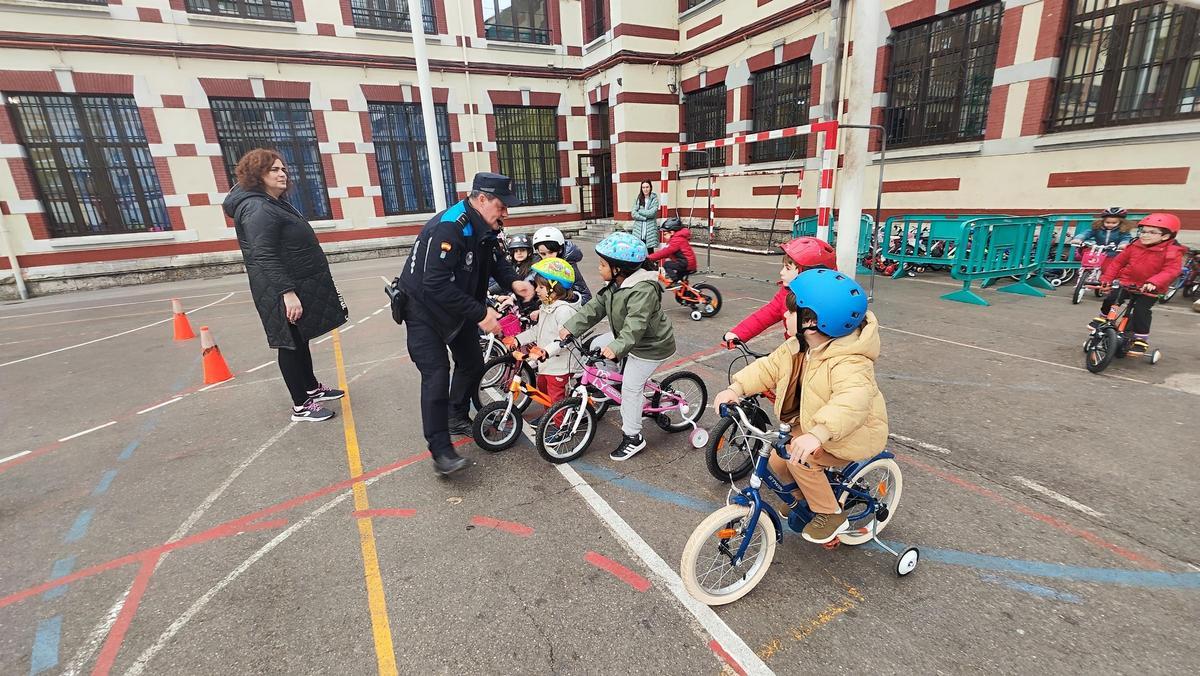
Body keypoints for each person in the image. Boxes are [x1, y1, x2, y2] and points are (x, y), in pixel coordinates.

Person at [712, 269, 888, 544]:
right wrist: (736, 388)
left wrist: (818, 434)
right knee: (776, 460)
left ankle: (829, 513)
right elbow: (767, 368)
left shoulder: (851, 362)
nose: (784, 316)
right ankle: (804, 501)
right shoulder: (797, 346)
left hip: (847, 434)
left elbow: (851, 402)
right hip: (808, 427)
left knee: (801, 459)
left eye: (791, 313)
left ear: (814, 322)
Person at [399, 172, 535, 476]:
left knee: (472, 363)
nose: (505, 213)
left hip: (457, 308)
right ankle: (441, 450)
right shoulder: (451, 227)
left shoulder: (486, 225)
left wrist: (514, 282)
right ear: (482, 199)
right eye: (501, 206)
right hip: (424, 310)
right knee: (435, 375)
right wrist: (481, 314)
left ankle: (456, 415)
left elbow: (496, 260)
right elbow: (434, 284)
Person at [225, 149, 347, 423]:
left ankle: (311, 388)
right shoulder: (257, 207)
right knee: (289, 343)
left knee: (299, 337)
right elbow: (263, 254)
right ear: (257, 175)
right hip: (279, 288)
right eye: (274, 170)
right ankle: (301, 406)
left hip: (294, 281)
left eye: (283, 169)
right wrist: (287, 293)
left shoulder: (273, 202)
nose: (282, 174)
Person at [561, 232, 676, 461]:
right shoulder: (616, 283)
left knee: (631, 389)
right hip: (628, 341)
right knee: (595, 344)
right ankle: (612, 379)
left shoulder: (643, 290)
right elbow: (595, 307)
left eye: (603, 264)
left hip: (650, 347)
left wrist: (617, 346)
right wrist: (571, 326)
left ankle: (633, 438)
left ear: (619, 268)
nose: (599, 269)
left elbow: (636, 324)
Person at [1094, 212, 1184, 356]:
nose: (1145, 235)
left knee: (1141, 310)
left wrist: (1153, 282)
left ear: (1166, 236)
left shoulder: (1172, 251)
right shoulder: (1134, 246)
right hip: (1128, 282)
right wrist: (1107, 278)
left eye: (1152, 232)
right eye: (1143, 231)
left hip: (1150, 288)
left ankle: (1140, 339)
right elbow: (1118, 262)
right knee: (1112, 298)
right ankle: (1103, 318)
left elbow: (1171, 270)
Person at [722, 237, 838, 346]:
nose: (781, 272)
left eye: (787, 268)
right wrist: (738, 334)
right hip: (794, 350)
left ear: (807, 273)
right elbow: (765, 315)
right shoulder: (786, 293)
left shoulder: (831, 301)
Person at [512, 258, 582, 423]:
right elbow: (537, 331)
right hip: (547, 363)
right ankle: (550, 418)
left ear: (555, 289)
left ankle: (561, 428)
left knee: (556, 398)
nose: (536, 290)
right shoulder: (546, 306)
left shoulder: (564, 311)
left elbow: (564, 339)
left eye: (541, 287)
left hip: (560, 364)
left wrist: (546, 351)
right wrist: (518, 339)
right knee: (543, 391)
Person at [532, 226, 592, 303]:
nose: (547, 257)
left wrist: (565, 304)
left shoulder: (567, 266)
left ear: (559, 250)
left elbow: (585, 296)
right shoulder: (539, 264)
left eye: (551, 252)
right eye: (543, 254)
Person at [647, 217, 697, 284]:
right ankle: (683, 291)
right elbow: (668, 253)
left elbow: (665, 252)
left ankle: (676, 283)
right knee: (680, 285)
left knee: (667, 265)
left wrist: (649, 258)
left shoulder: (676, 240)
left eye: (665, 234)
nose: (664, 236)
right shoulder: (677, 238)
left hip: (686, 264)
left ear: (672, 232)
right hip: (687, 263)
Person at [629, 181, 660, 253]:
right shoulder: (638, 199)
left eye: (647, 187)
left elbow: (652, 213)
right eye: (643, 187)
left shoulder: (654, 199)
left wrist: (640, 210)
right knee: (639, 251)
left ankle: (651, 264)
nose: (645, 189)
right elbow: (633, 214)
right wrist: (644, 218)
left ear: (650, 188)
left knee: (650, 252)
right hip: (639, 230)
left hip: (650, 230)